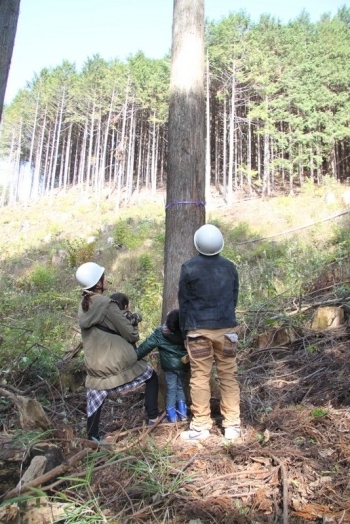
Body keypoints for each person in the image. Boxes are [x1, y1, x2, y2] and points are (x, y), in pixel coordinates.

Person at [75, 262, 162, 441]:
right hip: (115, 363)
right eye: (103, 276)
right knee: (150, 376)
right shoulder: (107, 304)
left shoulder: (84, 305)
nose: (106, 279)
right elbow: (130, 335)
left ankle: (92, 436)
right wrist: (134, 320)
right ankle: (153, 416)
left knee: (96, 394)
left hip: (94, 364)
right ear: (98, 284)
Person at [178, 224, 240, 442]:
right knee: (228, 376)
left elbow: (183, 303)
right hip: (227, 330)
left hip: (198, 331)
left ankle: (201, 426)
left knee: (200, 378)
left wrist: (184, 328)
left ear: (197, 244)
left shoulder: (188, 268)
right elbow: (234, 297)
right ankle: (232, 426)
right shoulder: (230, 267)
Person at [135, 309, 189, 423]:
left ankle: (172, 417)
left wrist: (135, 356)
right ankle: (183, 414)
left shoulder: (161, 332)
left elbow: (146, 346)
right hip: (183, 365)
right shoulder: (186, 330)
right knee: (180, 388)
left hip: (169, 368)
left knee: (171, 389)